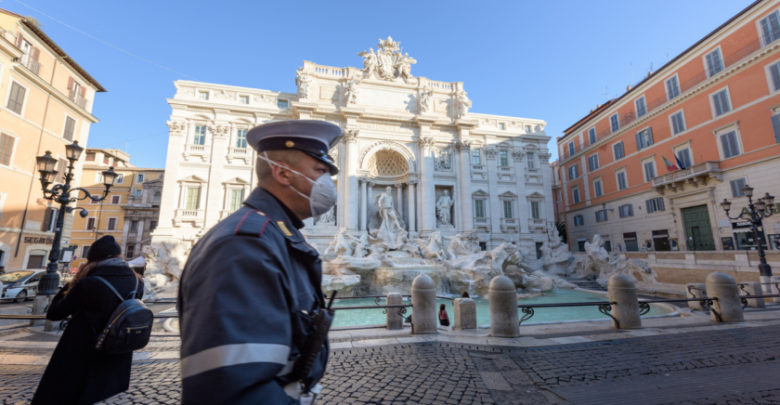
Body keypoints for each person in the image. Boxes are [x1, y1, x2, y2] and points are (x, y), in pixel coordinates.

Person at [178, 120, 342, 404]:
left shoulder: (275, 236)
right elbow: (234, 386)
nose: (328, 181)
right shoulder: (244, 245)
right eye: (320, 170)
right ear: (283, 173)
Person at [31, 235, 143, 405]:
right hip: (116, 352)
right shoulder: (137, 282)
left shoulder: (89, 283)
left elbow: (54, 313)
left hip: (82, 353)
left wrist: (73, 283)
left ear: (93, 259)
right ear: (119, 256)